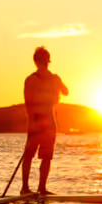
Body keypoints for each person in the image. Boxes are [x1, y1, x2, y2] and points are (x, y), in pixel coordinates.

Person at [21, 46, 68, 195]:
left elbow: (28, 104)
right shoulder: (41, 79)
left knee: (34, 156)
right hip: (46, 123)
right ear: (48, 60)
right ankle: (36, 188)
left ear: (35, 62)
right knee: (41, 157)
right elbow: (66, 92)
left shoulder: (32, 80)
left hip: (39, 123)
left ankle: (28, 188)